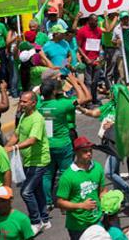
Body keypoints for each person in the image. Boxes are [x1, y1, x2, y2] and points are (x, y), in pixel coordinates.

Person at [40, 77, 91, 209]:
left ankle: (48, 202)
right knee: (65, 172)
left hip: (46, 145)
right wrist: (74, 81)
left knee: (47, 174)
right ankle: (65, 202)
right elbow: (82, 98)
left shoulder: (39, 106)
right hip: (63, 144)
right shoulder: (62, 105)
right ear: (54, 92)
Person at [5, 91, 51, 233]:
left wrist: (14, 147)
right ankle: (45, 219)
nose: (21, 104)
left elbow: (32, 140)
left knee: (26, 192)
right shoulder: (24, 116)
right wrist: (5, 148)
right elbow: (16, 135)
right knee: (37, 191)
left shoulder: (37, 119)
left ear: (33, 103)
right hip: (28, 161)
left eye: (25, 102)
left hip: (39, 161)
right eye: (21, 101)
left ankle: (36, 222)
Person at [56, 136, 106, 240]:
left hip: (97, 221)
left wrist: (106, 199)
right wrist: (81, 205)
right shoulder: (67, 176)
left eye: (90, 151)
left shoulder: (98, 168)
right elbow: (60, 202)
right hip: (78, 227)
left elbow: (102, 190)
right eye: (85, 151)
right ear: (76, 153)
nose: (89, 154)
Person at [76, 14, 104, 105]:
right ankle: (88, 102)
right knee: (88, 82)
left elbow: (99, 44)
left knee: (95, 81)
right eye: (95, 21)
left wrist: (101, 55)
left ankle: (94, 98)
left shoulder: (99, 31)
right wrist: (86, 58)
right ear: (90, 20)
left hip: (96, 59)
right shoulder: (82, 31)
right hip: (86, 60)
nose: (96, 23)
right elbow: (79, 47)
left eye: (97, 21)